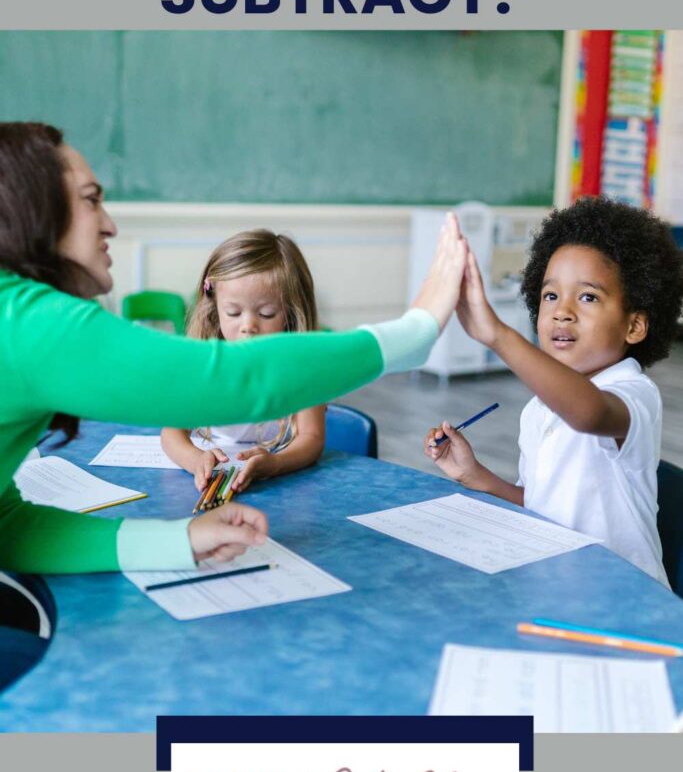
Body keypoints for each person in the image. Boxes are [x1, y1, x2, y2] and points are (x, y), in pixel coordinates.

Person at [0, 122, 467, 574]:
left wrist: (179, 540)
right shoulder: (30, 322)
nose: (111, 225)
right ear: (35, 213)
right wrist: (417, 329)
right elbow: (229, 379)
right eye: (91, 201)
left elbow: (7, 528)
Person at [424, 197, 683, 585]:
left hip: (626, 600)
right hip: (557, 585)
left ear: (635, 326)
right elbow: (540, 507)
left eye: (588, 297)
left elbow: (589, 413)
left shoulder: (633, 393)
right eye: (550, 295)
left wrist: (497, 335)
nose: (563, 311)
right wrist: (474, 474)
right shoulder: (540, 409)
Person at [161, 230, 326, 495]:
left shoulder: (303, 368)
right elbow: (171, 434)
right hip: (211, 483)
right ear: (215, 307)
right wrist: (195, 460)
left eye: (266, 313)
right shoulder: (204, 364)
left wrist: (275, 463)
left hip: (281, 488)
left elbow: (312, 439)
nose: (248, 325)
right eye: (234, 312)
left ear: (290, 313)